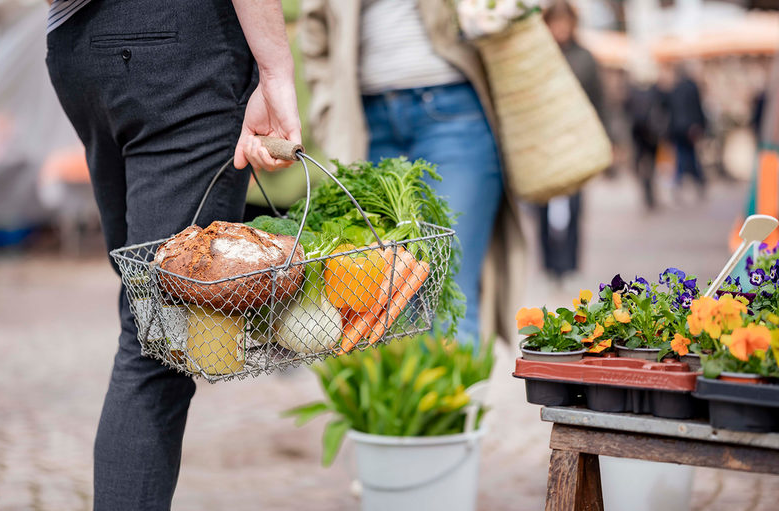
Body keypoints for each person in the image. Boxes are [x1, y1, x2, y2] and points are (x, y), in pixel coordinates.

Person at [45, 0, 301, 508]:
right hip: (178, 42)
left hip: (76, 46)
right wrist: (275, 70)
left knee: (146, 323)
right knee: (158, 340)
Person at [299, 0, 526, 346]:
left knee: (447, 292)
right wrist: (327, 110)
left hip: (453, 109)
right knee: (377, 300)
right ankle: (398, 400)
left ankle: (451, 400)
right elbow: (315, 28)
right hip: (366, 122)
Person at [537, 0, 606, 282]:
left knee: (575, 206)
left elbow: (599, 101)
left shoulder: (585, 58)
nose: (561, 28)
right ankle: (549, 264)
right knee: (543, 205)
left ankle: (571, 264)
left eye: (565, 22)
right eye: (556, 22)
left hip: (576, 140)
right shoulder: (539, 57)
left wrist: (607, 136)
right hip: (543, 141)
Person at [625, 78, 667, 210]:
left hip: (640, 133)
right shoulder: (655, 90)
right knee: (650, 164)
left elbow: (626, 110)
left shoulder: (631, 91)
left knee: (643, 164)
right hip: (649, 133)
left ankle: (648, 192)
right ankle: (649, 192)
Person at [667, 64, 707, 197]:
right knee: (690, 156)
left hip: (678, 128)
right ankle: (698, 181)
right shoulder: (692, 87)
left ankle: (680, 182)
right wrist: (700, 124)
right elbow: (697, 107)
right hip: (690, 127)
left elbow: (671, 111)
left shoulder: (675, 88)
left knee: (682, 156)